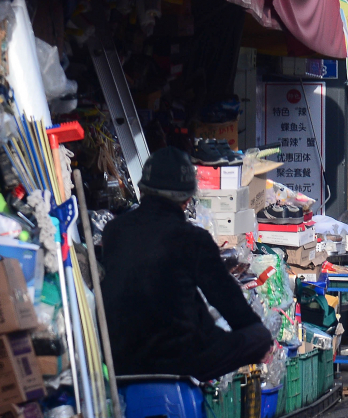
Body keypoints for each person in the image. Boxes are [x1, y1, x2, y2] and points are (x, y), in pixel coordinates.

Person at [102, 147, 273, 380]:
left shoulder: (114, 232)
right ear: (187, 198)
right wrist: (256, 332)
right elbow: (228, 301)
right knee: (259, 338)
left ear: (143, 190)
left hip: (120, 361)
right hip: (180, 361)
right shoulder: (192, 239)